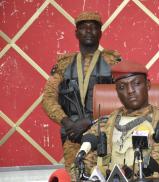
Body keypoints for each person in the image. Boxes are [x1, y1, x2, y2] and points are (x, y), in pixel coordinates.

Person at [42, 11, 121, 177]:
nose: (89, 31)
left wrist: (90, 121)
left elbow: (123, 99)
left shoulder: (113, 62)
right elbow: (48, 98)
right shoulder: (64, 65)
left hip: (104, 133)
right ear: (76, 33)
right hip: (72, 135)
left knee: (105, 176)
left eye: (93, 28)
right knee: (75, 176)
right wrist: (67, 122)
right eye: (84, 28)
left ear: (100, 33)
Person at [82, 61, 159, 180]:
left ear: (148, 85)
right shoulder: (102, 125)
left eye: (136, 83)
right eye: (122, 87)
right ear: (117, 91)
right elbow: (80, 165)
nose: (130, 91)